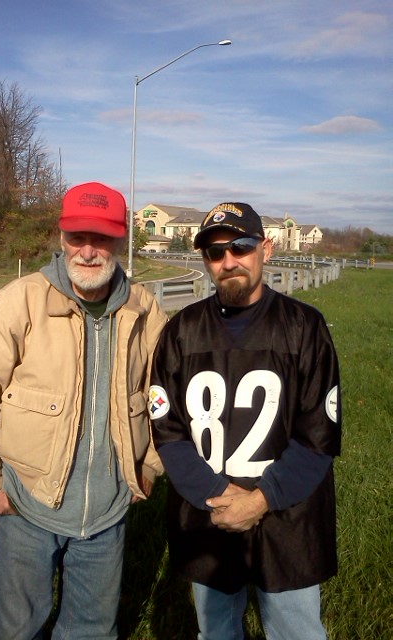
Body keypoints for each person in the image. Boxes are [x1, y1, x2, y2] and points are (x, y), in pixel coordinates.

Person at [0, 181, 168, 640]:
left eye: (101, 238)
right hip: (27, 502)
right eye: (77, 237)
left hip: (108, 509)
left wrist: (149, 464)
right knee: (16, 628)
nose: (87, 251)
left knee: (92, 630)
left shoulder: (145, 311)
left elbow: (169, 397)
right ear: (62, 237)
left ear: (120, 240)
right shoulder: (19, 301)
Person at [149, 202, 341, 640]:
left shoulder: (305, 327)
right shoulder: (181, 332)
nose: (229, 260)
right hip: (210, 511)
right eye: (215, 252)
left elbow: (318, 436)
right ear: (205, 260)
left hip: (288, 512)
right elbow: (168, 431)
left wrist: (261, 499)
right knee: (216, 631)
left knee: (296, 631)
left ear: (266, 249)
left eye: (241, 247)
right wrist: (218, 494)